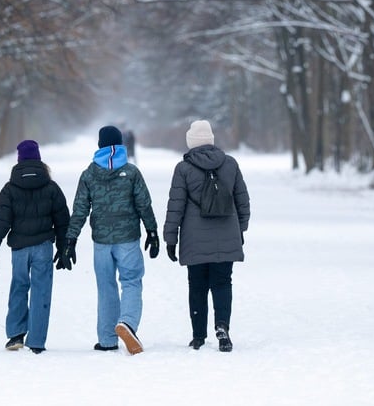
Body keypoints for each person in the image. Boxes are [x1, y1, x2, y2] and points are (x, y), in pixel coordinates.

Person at [62, 125, 159, 354]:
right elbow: (144, 204)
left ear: (99, 145)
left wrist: (70, 240)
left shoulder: (89, 174)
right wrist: (152, 232)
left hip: (102, 242)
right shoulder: (132, 172)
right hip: (128, 239)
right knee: (131, 281)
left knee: (106, 287)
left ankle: (107, 339)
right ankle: (127, 323)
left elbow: (80, 210)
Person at [163, 119, 250, 352]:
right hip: (226, 235)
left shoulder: (183, 169)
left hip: (194, 240)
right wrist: (240, 229)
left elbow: (176, 206)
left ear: (191, 143)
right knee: (223, 283)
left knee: (197, 286)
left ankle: (198, 335)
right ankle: (222, 326)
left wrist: (170, 238)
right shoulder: (230, 164)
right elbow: (243, 200)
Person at [0, 140, 70, 354]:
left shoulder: (10, 188)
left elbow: (1, 220)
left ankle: (15, 335)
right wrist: (64, 247)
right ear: (39, 159)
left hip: (19, 249)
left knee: (19, 288)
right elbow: (62, 220)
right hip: (43, 247)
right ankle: (37, 341)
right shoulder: (51, 187)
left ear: (19, 160)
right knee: (42, 291)